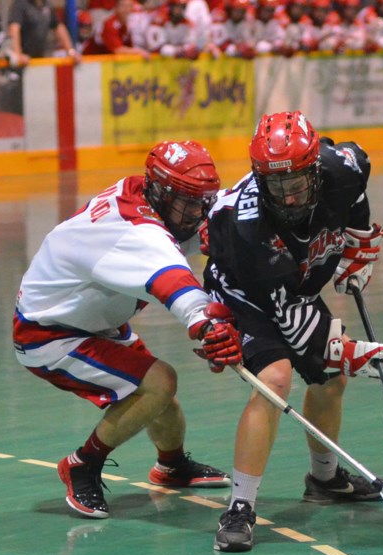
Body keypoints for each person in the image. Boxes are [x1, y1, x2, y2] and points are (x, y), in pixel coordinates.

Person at [200, 111, 383, 552]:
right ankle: (240, 506)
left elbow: (357, 183)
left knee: (331, 381)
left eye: (296, 184)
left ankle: (325, 480)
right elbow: (293, 327)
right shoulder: (246, 226)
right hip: (245, 289)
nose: (289, 199)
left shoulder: (341, 167)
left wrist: (359, 239)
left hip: (295, 276)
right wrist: (355, 354)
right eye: (276, 187)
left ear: (315, 170)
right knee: (275, 380)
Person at [13, 140, 242, 519]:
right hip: (50, 332)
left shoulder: (137, 189)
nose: (196, 214)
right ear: (161, 193)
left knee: (160, 398)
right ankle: (82, 464)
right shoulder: (136, 232)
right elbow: (173, 282)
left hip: (90, 319)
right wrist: (206, 321)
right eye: (188, 203)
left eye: (202, 201)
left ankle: (171, 466)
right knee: (160, 382)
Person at [7, 0, 80, 65]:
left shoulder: (47, 4)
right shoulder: (20, 4)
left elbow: (58, 27)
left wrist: (71, 51)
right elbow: (14, 28)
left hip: (40, 58)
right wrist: (17, 54)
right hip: (24, 60)